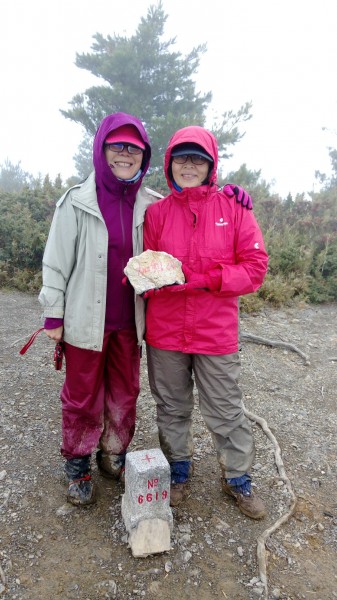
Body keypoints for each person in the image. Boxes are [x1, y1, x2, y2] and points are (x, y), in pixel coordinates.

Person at [143, 125, 269, 519]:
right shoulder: (157, 212)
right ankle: (178, 469)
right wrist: (150, 283)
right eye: (181, 157)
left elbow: (255, 267)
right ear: (169, 163)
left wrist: (210, 279)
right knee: (172, 405)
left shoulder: (235, 209)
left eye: (198, 158)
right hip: (165, 330)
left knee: (226, 408)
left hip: (215, 331)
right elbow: (144, 267)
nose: (189, 165)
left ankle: (237, 478)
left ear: (211, 165)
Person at [38, 112, 162, 506]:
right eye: (117, 146)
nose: (125, 154)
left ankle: (113, 453)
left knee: (125, 393)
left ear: (144, 156)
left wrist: (229, 195)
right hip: (84, 322)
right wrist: (53, 314)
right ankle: (77, 463)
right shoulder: (77, 202)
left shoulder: (152, 204)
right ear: (101, 149)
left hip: (130, 322)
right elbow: (55, 262)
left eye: (134, 148)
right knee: (81, 397)